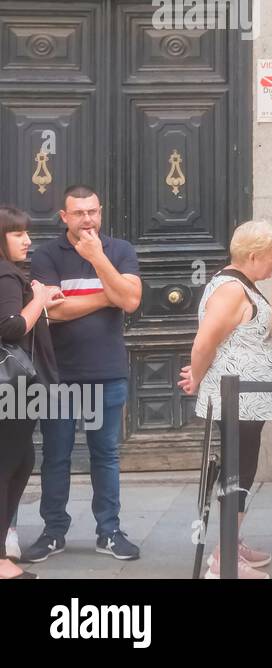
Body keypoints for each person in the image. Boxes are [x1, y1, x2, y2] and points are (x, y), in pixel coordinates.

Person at [24, 185, 142, 564]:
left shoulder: (119, 250)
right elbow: (51, 312)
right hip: (57, 373)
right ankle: (53, 531)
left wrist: (98, 259)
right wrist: (109, 295)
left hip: (106, 373)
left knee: (104, 454)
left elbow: (131, 301)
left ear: (101, 211)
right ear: (64, 216)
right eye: (79, 213)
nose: (87, 219)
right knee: (55, 456)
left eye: (93, 211)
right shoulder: (45, 255)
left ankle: (109, 530)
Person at [179, 220, 272, 580]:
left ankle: (231, 542)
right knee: (238, 470)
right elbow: (204, 341)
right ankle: (224, 560)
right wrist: (196, 376)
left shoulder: (241, 285)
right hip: (236, 399)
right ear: (253, 255)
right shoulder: (231, 290)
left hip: (248, 399)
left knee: (241, 467)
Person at [0, 206, 62, 580]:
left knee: (20, 462)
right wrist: (38, 297)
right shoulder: (7, 273)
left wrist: (38, 302)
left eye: (26, 232)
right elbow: (9, 328)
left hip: (14, 389)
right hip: (13, 388)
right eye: (17, 233)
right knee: (10, 465)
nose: (27, 240)